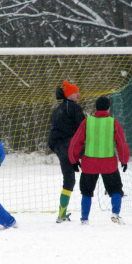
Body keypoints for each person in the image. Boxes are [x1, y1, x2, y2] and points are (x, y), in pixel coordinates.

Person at [68, 96, 129, 224]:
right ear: (108, 108)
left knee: (86, 191)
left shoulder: (87, 122)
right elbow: (121, 143)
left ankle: (84, 219)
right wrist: (124, 160)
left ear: (96, 107)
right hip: (109, 165)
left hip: (89, 164)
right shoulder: (113, 122)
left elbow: (75, 142)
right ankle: (115, 213)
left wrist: (74, 160)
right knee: (116, 189)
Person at [48, 80, 85, 223]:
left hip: (57, 145)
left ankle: (62, 214)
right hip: (69, 146)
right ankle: (110, 185)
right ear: (69, 94)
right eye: (76, 92)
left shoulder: (57, 109)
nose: (78, 94)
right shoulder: (74, 108)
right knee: (92, 164)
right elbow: (82, 127)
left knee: (69, 179)